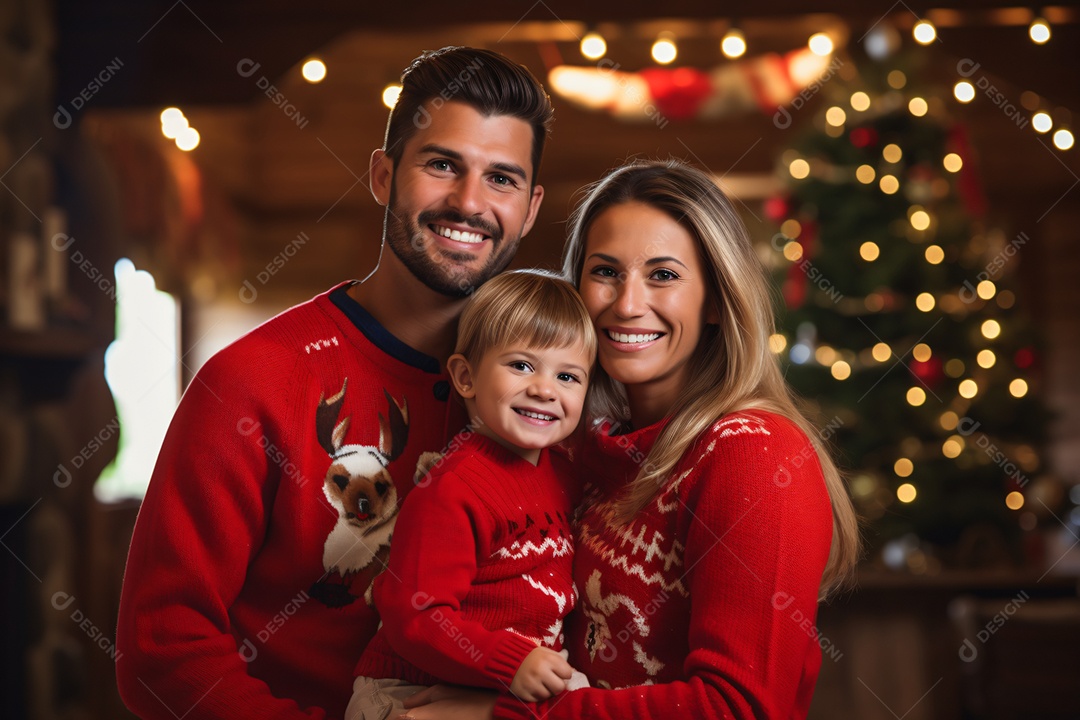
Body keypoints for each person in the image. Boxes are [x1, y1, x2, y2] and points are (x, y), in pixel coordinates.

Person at [115, 47, 553, 720]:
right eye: (441, 165)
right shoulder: (250, 383)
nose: (469, 202)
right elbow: (162, 649)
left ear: (530, 208)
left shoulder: (557, 401)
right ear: (383, 176)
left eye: (501, 179)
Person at [396, 159, 860, 720]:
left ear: (716, 300)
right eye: (605, 271)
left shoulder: (754, 453)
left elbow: (739, 709)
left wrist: (511, 715)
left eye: (663, 275)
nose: (627, 304)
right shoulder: (577, 454)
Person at [347, 270, 595, 720]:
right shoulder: (454, 488)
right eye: (521, 366)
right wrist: (509, 662)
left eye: (568, 376)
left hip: (498, 686)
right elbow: (415, 615)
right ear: (466, 377)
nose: (544, 389)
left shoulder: (565, 475)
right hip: (410, 689)